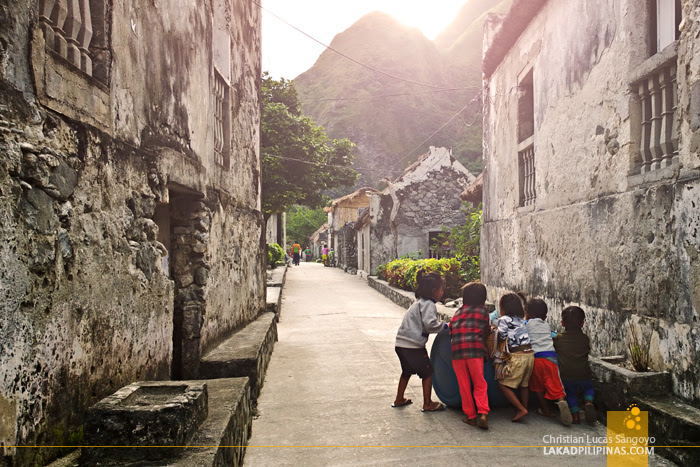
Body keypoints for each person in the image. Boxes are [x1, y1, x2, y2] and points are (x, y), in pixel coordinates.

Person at [393, 270, 448, 412]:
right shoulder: (429, 304)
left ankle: (399, 399)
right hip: (413, 346)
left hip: (401, 344)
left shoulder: (418, 303)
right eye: (442, 289)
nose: (442, 292)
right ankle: (428, 403)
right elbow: (430, 324)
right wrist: (445, 326)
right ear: (434, 291)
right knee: (428, 373)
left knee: (406, 372)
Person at [449, 282, 490, 429]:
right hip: (475, 351)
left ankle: (471, 416)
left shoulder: (458, 312)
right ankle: (483, 413)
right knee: (479, 383)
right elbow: (486, 331)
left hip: (457, 351)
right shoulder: (484, 311)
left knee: (464, 385)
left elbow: (451, 328)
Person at [525, 298, 572, 426]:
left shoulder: (526, 324)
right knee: (556, 384)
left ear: (527, 312)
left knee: (538, 388)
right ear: (545, 315)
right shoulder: (546, 325)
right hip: (550, 358)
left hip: (535, 359)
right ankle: (561, 400)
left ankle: (546, 410)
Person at [553, 306, 596, 424]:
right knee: (588, 388)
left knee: (570, 393)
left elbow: (555, 350)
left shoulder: (558, 338)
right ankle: (588, 402)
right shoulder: (585, 338)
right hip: (584, 372)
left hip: (567, 374)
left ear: (562, 323)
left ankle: (575, 414)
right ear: (582, 323)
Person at [495, 293, 534, 422]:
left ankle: (521, 409)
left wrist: (494, 329)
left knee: (503, 384)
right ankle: (525, 407)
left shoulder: (504, 319)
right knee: (524, 385)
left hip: (517, 356)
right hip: (529, 355)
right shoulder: (521, 320)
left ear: (503, 308)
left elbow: (501, 336)